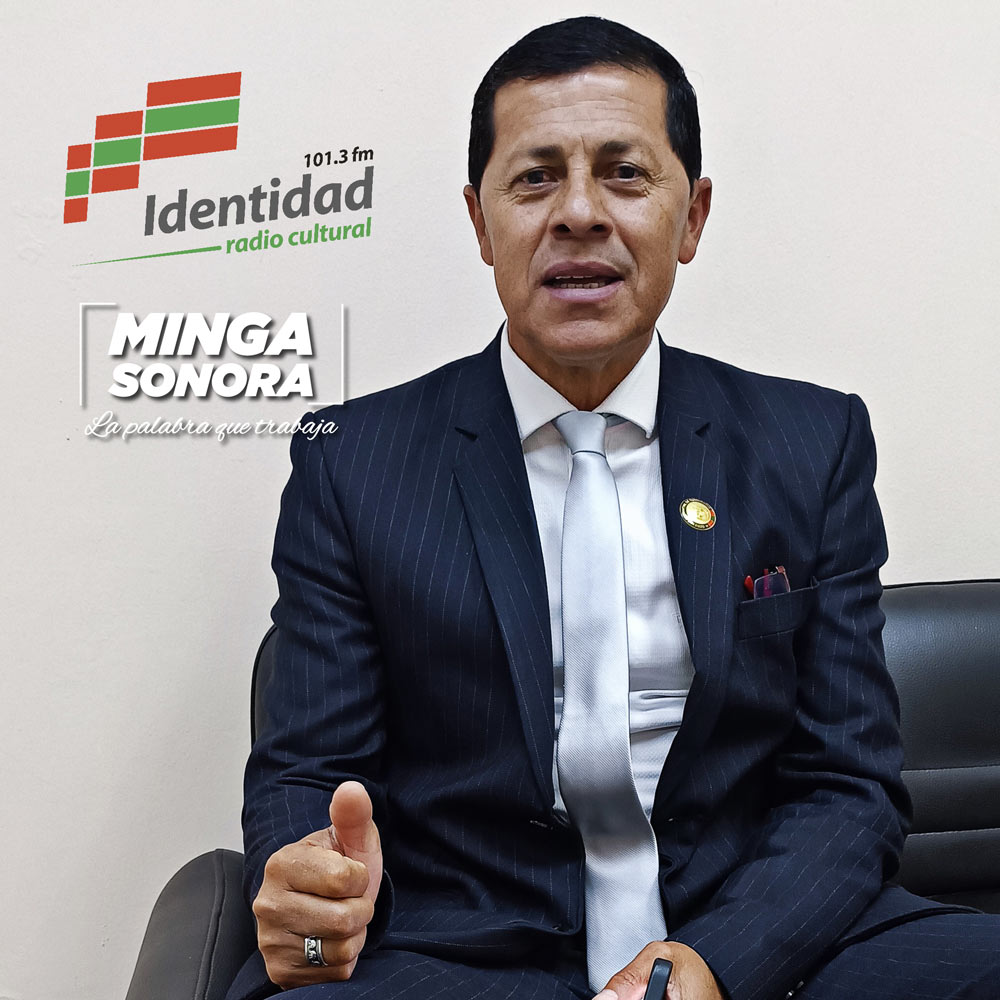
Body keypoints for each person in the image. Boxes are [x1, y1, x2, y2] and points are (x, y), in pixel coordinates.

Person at [227, 17, 1000, 1000]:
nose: (580, 213)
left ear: (693, 216)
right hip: (467, 954)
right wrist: (308, 895)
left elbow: (847, 785)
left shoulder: (812, 443)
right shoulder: (352, 462)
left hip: (754, 930)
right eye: (535, 178)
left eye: (625, 174)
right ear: (480, 223)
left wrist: (716, 964)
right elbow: (310, 770)